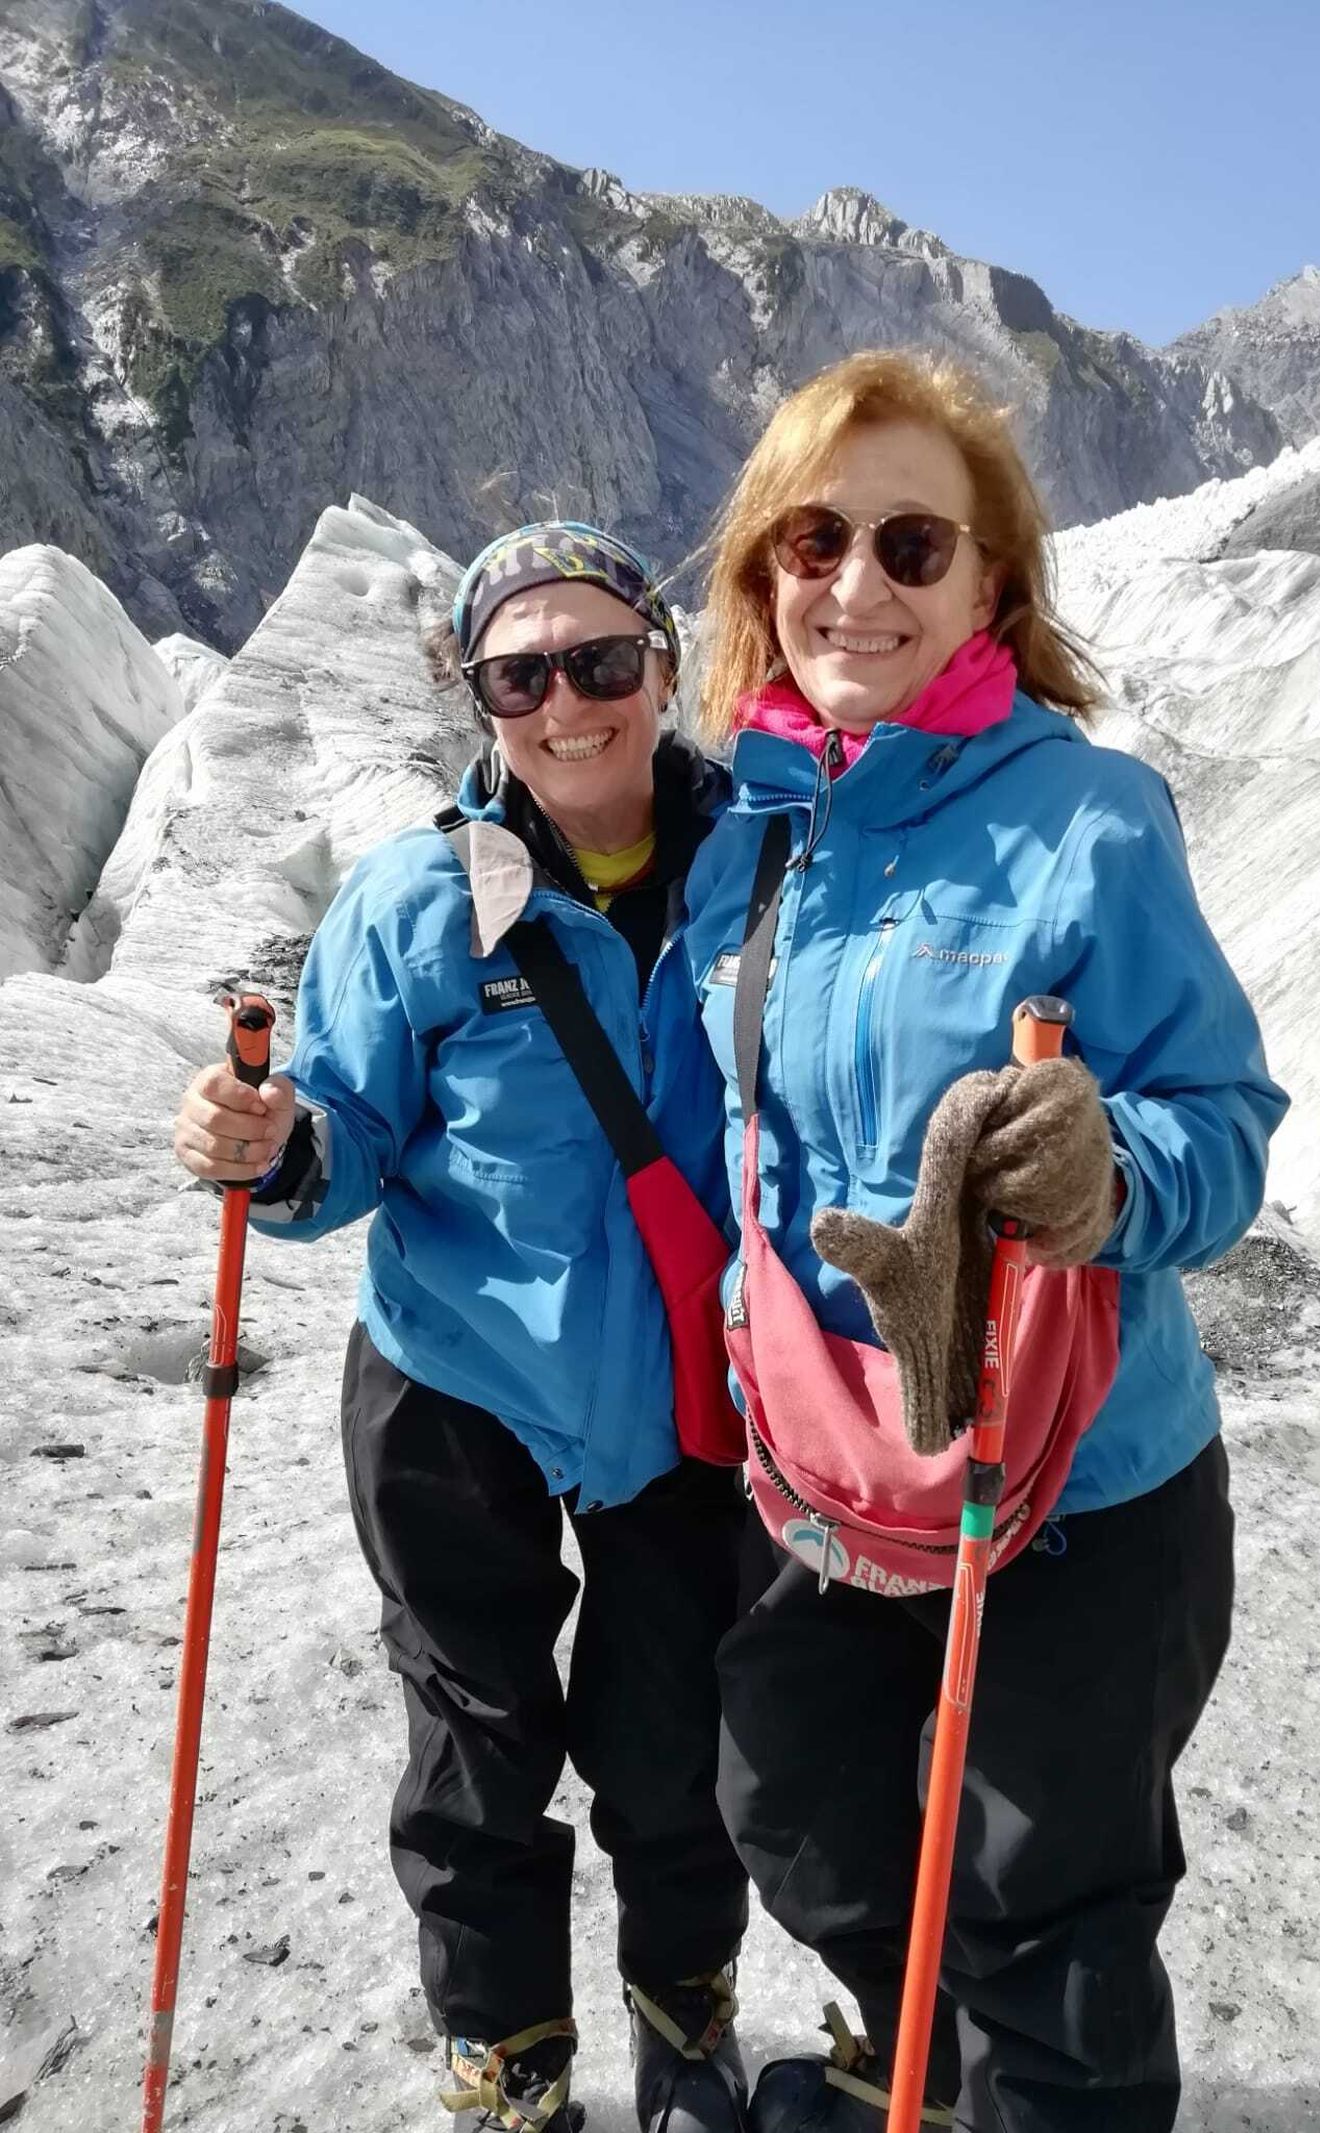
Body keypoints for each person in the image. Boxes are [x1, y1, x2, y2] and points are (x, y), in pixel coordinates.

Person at [683, 351, 1288, 2133]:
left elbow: (1226, 1128)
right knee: (797, 1806)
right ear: (761, 572)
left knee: (1050, 1907)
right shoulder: (753, 837)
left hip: (1074, 1486)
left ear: (992, 588)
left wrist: (1111, 1178)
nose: (855, 582)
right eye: (812, 536)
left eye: (911, 540)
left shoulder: (1092, 818)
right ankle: (928, 2066)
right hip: (831, 1468)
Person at [172, 523, 750, 2133]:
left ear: (662, 660)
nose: (567, 704)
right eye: (520, 673)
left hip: (681, 1395)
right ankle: (509, 2055)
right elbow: (348, 1128)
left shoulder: (762, 867)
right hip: (454, 1391)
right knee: (475, 1742)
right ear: (477, 695)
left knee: (677, 1740)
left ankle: (682, 2013)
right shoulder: (415, 899)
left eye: (601, 660)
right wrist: (280, 1149)